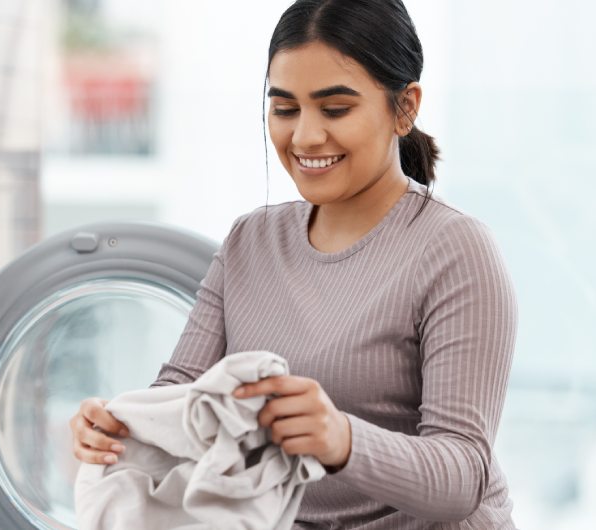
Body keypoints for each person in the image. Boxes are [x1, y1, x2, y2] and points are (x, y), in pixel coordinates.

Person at [69, 0, 518, 527]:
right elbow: (180, 396)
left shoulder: (455, 250)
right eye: (285, 109)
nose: (304, 136)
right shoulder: (250, 240)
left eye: (334, 109)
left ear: (405, 108)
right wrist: (120, 426)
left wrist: (341, 437)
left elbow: (462, 477)